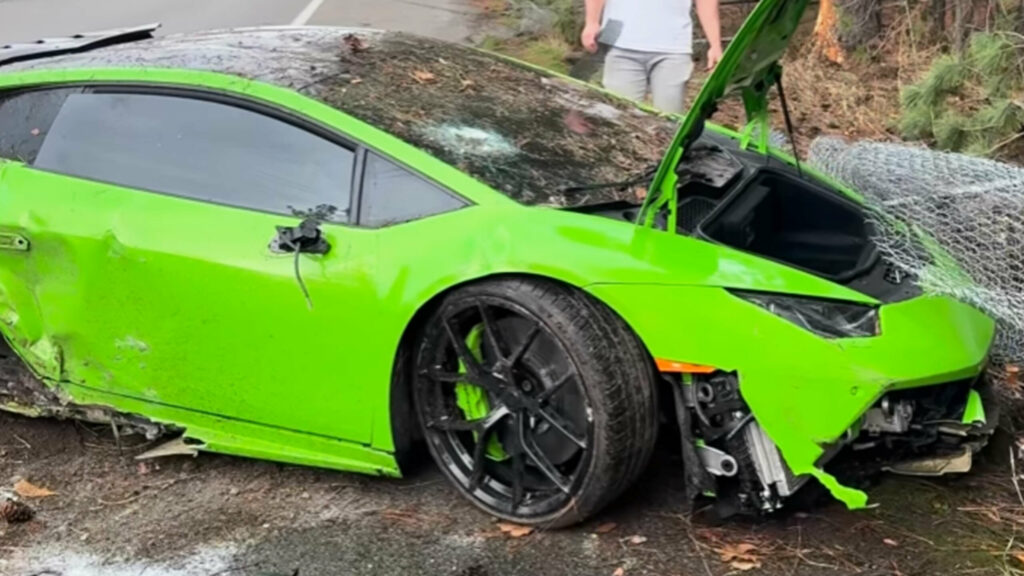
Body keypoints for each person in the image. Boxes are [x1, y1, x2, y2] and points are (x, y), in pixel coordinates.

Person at [581, 0, 723, 114]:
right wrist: (591, 21)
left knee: (669, 118)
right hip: (619, 42)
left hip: (674, 45)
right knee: (621, 117)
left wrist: (715, 44)